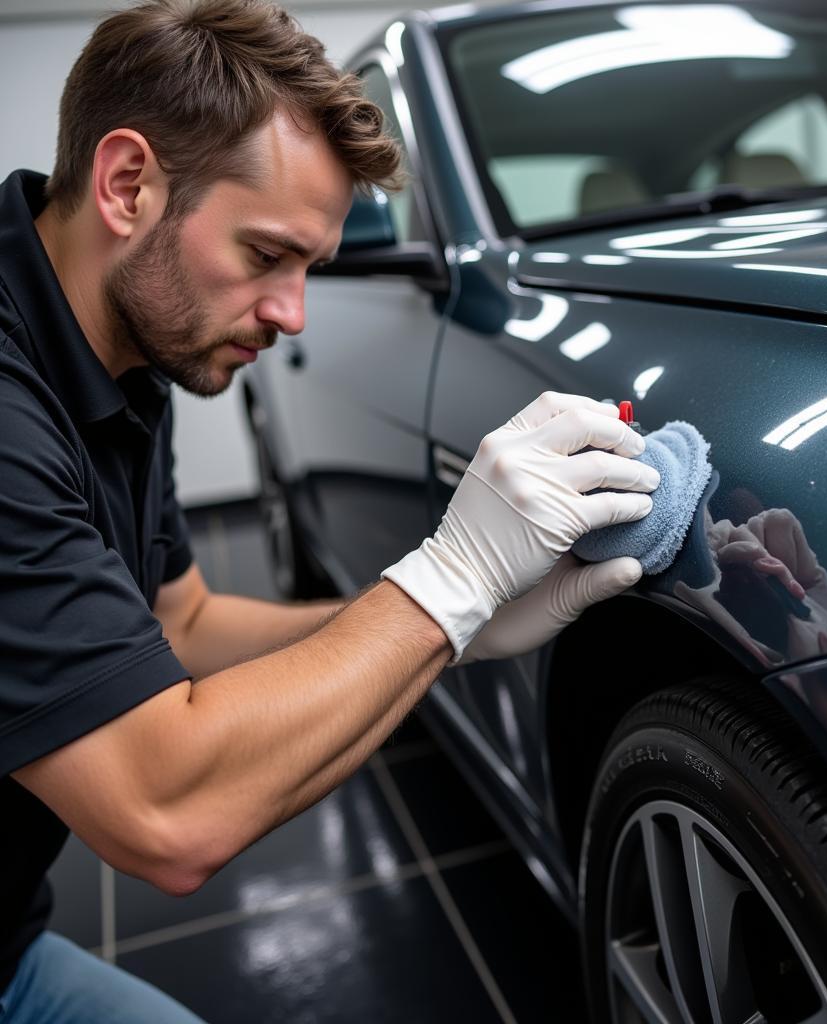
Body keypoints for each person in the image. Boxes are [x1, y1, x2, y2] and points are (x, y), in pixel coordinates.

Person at [0, 1, 659, 1020]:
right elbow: (165, 810)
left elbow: (184, 624)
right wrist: (449, 581)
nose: (292, 314)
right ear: (127, 184)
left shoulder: (129, 355)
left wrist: (459, 626)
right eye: (267, 256)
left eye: (310, 266)